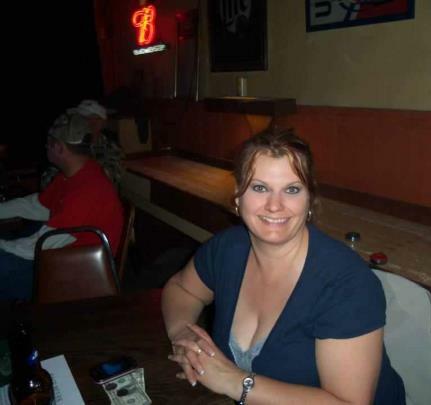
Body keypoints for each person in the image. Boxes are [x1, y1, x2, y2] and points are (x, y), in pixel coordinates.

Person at [162, 128, 405, 404]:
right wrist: (182, 333)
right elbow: (182, 289)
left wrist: (234, 381)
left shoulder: (348, 285)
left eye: (292, 189)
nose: (274, 205)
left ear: (309, 198)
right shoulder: (227, 248)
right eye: (259, 187)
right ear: (238, 196)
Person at [0, 112, 124, 300]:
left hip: (78, 273)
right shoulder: (75, 174)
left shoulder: (90, 189)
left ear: (59, 148)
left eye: (49, 143)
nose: (45, 147)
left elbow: (41, 244)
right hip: (62, 255)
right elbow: (38, 205)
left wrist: (3, 246)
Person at [41, 99, 124, 188]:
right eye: (85, 118)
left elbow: (114, 176)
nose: (91, 122)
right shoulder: (66, 146)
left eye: (97, 118)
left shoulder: (112, 148)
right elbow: (47, 180)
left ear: (104, 123)